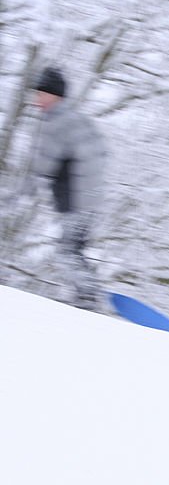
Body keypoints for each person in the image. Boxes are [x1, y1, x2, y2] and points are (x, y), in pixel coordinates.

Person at [30, 66, 106, 309]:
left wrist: (20, 193)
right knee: (73, 250)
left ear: (56, 95)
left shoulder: (58, 123)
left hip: (77, 202)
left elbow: (43, 165)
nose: (37, 100)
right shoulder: (75, 119)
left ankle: (88, 296)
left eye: (42, 94)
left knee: (66, 252)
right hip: (88, 201)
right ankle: (88, 292)